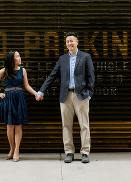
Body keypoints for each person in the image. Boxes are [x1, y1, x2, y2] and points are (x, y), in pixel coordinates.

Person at [36, 32, 95, 164]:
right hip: (65, 96)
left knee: (84, 125)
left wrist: (89, 94)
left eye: (71, 41)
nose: (69, 43)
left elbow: (91, 76)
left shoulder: (85, 57)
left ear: (77, 42)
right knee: (66, 125)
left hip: (81, 95)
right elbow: (52, 75)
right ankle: (69, 152)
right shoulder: (62, 59)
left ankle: (85, 152)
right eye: (67, 41)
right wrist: (41, 91)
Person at [0, 50, 40, 162]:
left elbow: (26, 85)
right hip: (8, 98)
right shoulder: (4, 70)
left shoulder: (23, 70)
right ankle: (12, 148)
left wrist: (36, 93)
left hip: (19, 98)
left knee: (18, 125)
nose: (20, 58)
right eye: (17, 56)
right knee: (10, 126)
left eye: (19, 56)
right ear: (12, 59)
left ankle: (17, 149)